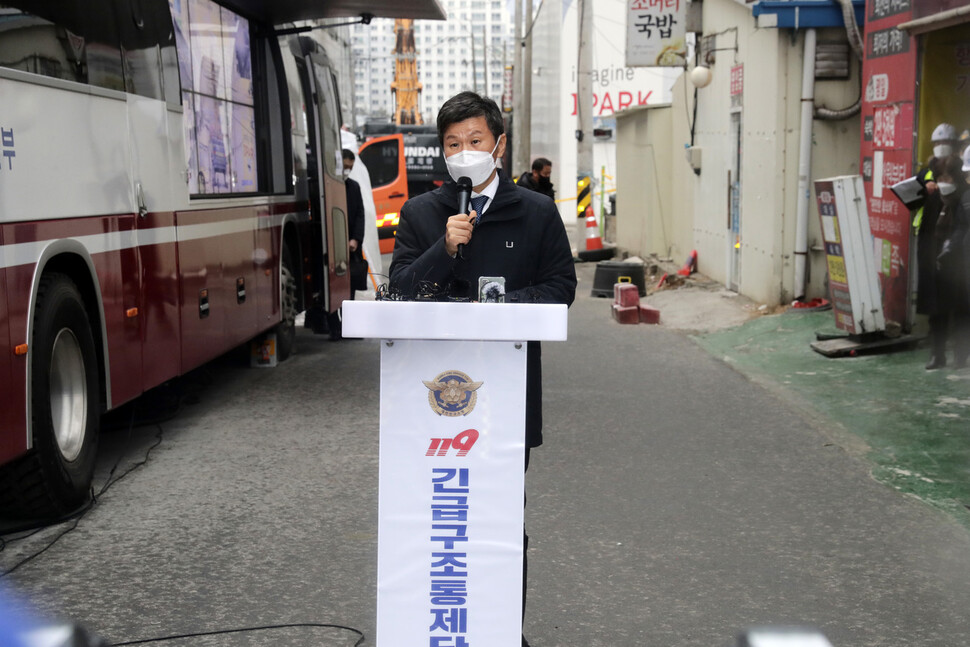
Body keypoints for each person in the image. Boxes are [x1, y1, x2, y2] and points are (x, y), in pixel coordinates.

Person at [389, 91, 576, 647]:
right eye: (452, 144)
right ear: (442, 152)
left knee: (495, 522)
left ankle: (500, 631)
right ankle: (432, 626)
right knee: (437, 521)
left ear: (498, 144)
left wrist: (495, 310)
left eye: (474, 141)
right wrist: (443, 249)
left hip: (506, 396)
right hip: (430, 404)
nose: (464, 152)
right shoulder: (424, 214)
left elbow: (561, 288)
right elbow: (400, 295)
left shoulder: (536, 211)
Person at [917, 153, 970, 369]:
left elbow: (962, 228)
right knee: (937, 312)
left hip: (959, 264)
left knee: (962, 310)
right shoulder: (932, 197)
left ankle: (960, 355)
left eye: (948, 179)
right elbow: (915, 183)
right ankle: (937, 355)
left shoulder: (964, 199)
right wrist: (925, 180)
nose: (943, 183)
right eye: (940, 178)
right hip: (935, 263)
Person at [342, 149, 368, 299]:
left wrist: (356, 239)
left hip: (352, 246)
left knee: (350, 286)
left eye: (350, 168)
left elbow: (360, 214)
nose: (347, 171)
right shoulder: (331, 186)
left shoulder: (354, 187)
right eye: (345, 166)